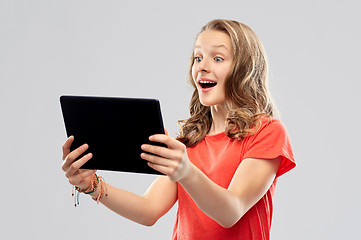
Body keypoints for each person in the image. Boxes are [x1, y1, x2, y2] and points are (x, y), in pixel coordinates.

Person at [61, 19, 296, 240]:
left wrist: (185, 171)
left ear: (244, 69)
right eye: (198, 57)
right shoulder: (189, 143)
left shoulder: (268, 132)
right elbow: (148, 209)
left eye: (218, 58)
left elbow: (230, 212)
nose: (202, 67)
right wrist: (91, 185)